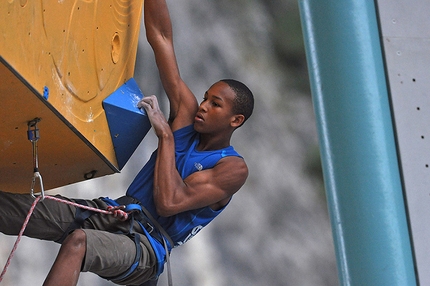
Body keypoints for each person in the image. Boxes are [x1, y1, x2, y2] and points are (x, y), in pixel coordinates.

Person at [0, 0, 254, 285]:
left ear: (236, 120)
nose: (204, 106)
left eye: (215, 104)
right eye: (206, 97)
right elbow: (161, 37)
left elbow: (170, 202)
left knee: (79, 242)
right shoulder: (186, 112)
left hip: (147, 249)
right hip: (115, 212)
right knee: (12, 207)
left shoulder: (232, 168)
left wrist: (166, 135)